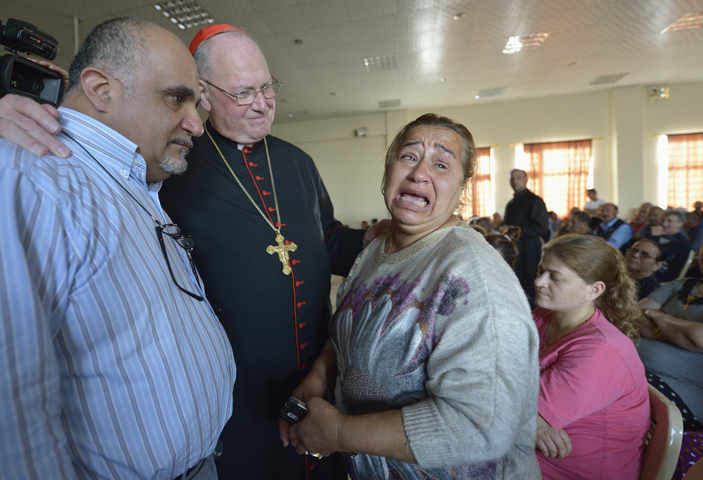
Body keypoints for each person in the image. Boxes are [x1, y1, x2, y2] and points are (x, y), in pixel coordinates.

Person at [0, 22, 387, 480]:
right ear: (206, 95)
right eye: (243, 92)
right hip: (240, 400)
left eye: (267, 88)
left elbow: (325, 238)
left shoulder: (297, 162)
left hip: (309, 377)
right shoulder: (167, 161)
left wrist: (374, 238)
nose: (262, 103)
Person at [0, 18, 235, 480]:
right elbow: (12, 410)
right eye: (176, 98)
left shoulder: (137, 183)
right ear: (101, 89)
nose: (196, 124)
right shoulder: (36, 177)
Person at [279, 114, 541, 479]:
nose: (420, 173)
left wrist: (338, 432)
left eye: (441, 164)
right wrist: (322, 374)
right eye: (408, 157)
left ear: (462, 187)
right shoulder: (376, 249)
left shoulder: (474, 276)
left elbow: (481, 426)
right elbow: (354, 332)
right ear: (388, 170)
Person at [532, 234, 650, 479]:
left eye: (554, 277)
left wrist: (532, 419)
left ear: (594, 290)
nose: (539, 282)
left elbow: (509, 415)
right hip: (531, 456)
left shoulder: (602, 350)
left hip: (564, 470)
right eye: (541, 271)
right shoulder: (543, 315)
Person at [637, 252, 703, 431]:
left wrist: (657, 315)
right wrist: (680, 333)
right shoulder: (682, 284)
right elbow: (634, 316)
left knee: (617, 388)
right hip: (638, 369)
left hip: (684, 391)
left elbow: (699, 338)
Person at [503, 168, 550, 302]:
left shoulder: (535, 201)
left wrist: (515, 231)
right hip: (514, 249)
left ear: (525, 180)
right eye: (512, 178)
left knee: (529, 283)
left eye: (518, 177)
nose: (515, 181)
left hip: (529, 248)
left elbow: (541, 226)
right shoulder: (511, 204)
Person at [645, 209, 692, 282]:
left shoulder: (681, 241)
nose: (664, 224)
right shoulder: (665, 236)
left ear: (680, 224)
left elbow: (653, 253)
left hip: (664, 275)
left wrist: (655, 235)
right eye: (663, 220)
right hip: (655, 269)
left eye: (669, 221)